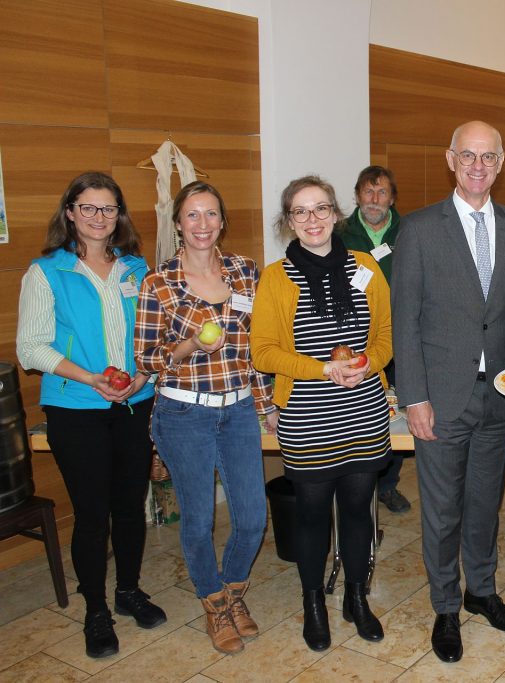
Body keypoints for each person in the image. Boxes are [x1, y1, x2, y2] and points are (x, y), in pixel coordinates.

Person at [391, 120, 505, 664]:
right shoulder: (419, 229)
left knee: (485, 503)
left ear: (501, 164)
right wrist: (414, 398)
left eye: (489, 157)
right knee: (442, 509)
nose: (478, 166)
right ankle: (445, 607)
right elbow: (404, 319)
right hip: (440, 395)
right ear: (450, 160)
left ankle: (481, 591)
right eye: (468, 156)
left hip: (501, 394)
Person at [16, 172, 164, 659]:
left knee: (129, 507)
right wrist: (91, 379)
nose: (100, 218)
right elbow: (31, 349)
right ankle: (95, 609)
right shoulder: (46, 272)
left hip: (134, 405)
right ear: (70, 213)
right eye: (89, 208)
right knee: (91, 514)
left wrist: (144, 375)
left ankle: (128, 590)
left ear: (119, 215)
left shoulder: (138, 270)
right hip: (75, 408)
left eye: (109, 208)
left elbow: (154, 338)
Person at [251, 175, 392, 651]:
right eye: (300, 211)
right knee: (312, 516)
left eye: (320, 209)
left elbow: (386, 339)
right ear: (288, 221)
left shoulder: (367, 266)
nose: (312, 220)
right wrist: (323, 369)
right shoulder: (274, 277)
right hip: (308, 418)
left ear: (336, 214)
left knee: (357, 511)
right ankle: (313, 604)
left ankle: (356, 597)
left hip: (365, 409)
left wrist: (367, 364)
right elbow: (263, 353)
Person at [135, 181, 275, 655]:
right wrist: (193, 343)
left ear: (222, 220)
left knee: (253, 518)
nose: (202, 225)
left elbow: (255, 349)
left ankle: (233, 592)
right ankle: (214, 604)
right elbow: (146, 358)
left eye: (211, 214)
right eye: (192, 215)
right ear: (177, 223)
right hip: (182, 413)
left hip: (237, 408)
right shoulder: (159, 283)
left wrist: (265, 404)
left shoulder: (245, 272)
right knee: (197, 521)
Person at [336, 165, 410, 514]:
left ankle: (388, 484)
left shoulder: (410, 231)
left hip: (403, 336)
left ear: (392, 198)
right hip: (354, 338)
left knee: (397, 411)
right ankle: (354, 483)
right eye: (368, 192)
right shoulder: (339, 234)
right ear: (357, 196)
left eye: (382, 192)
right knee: (357, 411)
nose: (375, 199)